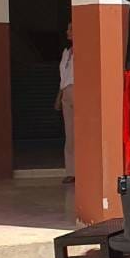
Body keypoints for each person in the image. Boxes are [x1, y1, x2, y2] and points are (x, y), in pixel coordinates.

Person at [55, 21, 74, 184]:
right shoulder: (66, 53)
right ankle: (71, 171)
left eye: (71, 29)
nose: (67, 32)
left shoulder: (84, 51)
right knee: (70, 133)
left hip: (78, 90)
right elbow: (63, 78)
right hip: (67, 92)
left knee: (81, 132)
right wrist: (59, 97)